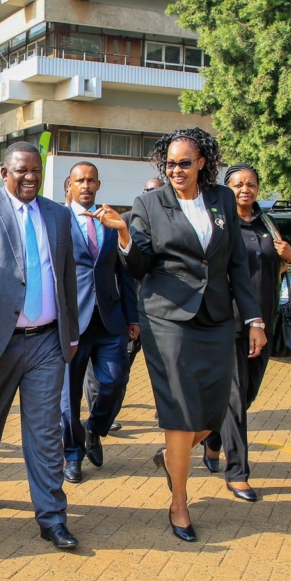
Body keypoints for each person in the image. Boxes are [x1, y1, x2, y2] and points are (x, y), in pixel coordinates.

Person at [90, 128, 267, 542]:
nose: (176, 170)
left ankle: (175, 454)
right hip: (167, 318)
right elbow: (139, 265)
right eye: (170, 163)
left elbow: (237, 265)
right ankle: (179, 503)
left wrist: (254, 320)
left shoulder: (222, 199)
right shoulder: (149, 204)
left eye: (184, 163)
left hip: (218, 317)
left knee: (214, 408)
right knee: (180, 408)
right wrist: (124, 233)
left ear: (202, 162)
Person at [0, 141, 81, 551]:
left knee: (45, 432)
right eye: (21, 170)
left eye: (36, 171)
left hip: (46, 342)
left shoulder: (58, 216)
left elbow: (67, 277)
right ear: (4, 173)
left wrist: (72, 332)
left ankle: (52, 517)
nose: (29, 177)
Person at [202, 164, 291, 502]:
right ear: (227, 189)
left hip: (263, 323)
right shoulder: (219, 224)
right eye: (238, 184)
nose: (245, 189)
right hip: (229, 322)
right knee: (235, 400)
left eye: (251, 184)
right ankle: (238, 473)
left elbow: (280, 263)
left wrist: (290, 257)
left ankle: (213, 440)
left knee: (248, 394)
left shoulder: (268, 224)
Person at [62, 162, 138, 484]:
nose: (86, 185)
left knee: (114, 383)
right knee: (68, 399)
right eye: (80, 180)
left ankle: (94, 429)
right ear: (70, 185)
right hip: (71, 323)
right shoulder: (57, 221)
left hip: (110, 321)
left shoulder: (110, 220)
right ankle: (72, 456)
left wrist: (132, 317)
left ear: (98, 184)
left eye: (91, 180)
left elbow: (125, 273)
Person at [85, 177, 164, 430]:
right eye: (148, 190)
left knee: (126, 376)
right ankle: (95, 427)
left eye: (157, 191)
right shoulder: (124, 220)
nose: (152, 194)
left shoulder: (174, 222)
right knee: (105, 377)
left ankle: (166, 412)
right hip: (110, 314)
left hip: (156, 311)